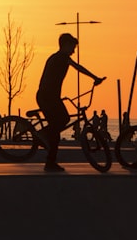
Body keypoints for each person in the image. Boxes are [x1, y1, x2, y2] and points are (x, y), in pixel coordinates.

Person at [36, 33, 105, 172]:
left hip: (50, 97)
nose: (73, 51)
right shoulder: (61, 58)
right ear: (66, 45)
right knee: (56, 127)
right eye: (72, 47)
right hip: (47, 97)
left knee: (64, 119)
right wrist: (94, 77)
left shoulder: (56, 57)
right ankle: (49, 159)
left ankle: (43, 135)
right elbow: (78, 67)